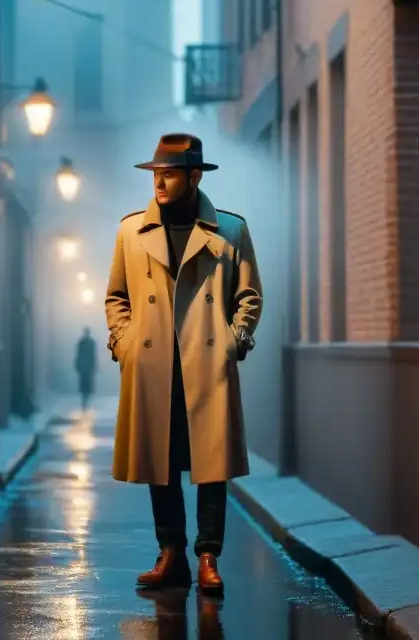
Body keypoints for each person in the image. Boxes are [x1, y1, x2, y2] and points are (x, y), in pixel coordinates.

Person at [104, 132, 263, 596]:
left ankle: (208, 555)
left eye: (169, 174)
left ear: (194, 176)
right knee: (162, 459)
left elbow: (249, 296)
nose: (159, 183)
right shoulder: (130, 231)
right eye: (156, 174)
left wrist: (234, 340)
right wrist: (124, 341)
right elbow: (116, 296)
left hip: (206, 361)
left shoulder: (230, 230)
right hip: (153, 362)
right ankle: (170, 553)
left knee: (211, 464)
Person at [75, 327, 97, 411]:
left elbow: (92, 355)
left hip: (85, 367)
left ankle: (85, 400)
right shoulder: (87, 343)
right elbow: (79, 354)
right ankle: (85, 399)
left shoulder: (84, 342)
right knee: (85, 384)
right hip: (86, 367)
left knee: (85, 384)